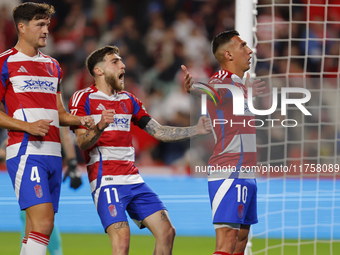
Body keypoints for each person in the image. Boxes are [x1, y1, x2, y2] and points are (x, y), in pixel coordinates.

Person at [68, 45, 211, 255]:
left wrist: (196, 129)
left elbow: (159, 131)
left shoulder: (129, 100)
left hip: (133, 180)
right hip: (106, 179)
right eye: (115, 61)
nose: (122, 65)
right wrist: (99, 127)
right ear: (98, 70)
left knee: (167, 231)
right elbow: (82, 143)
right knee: (122, 239)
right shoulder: (83, 98)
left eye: (121, 61)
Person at [0, 3, 94, 255]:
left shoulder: (53, 66)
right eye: (40, 24)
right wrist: (27, 126)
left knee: (36, 229)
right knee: (44, 224)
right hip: (25, 150)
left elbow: (60, 114)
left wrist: (84, 120)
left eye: (48, 25)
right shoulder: (5, 63)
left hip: (54, 155)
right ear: (21, 27)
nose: (46, 30)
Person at [181, 30, 265, 255]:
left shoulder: (238, 87)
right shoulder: (220, 81)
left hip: (246, 172)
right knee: (226, 243)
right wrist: (193, 88)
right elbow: (209, 91)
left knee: (241, 239)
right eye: (243, 46)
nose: (250, 50)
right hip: (229, 170)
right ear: (228, 54)